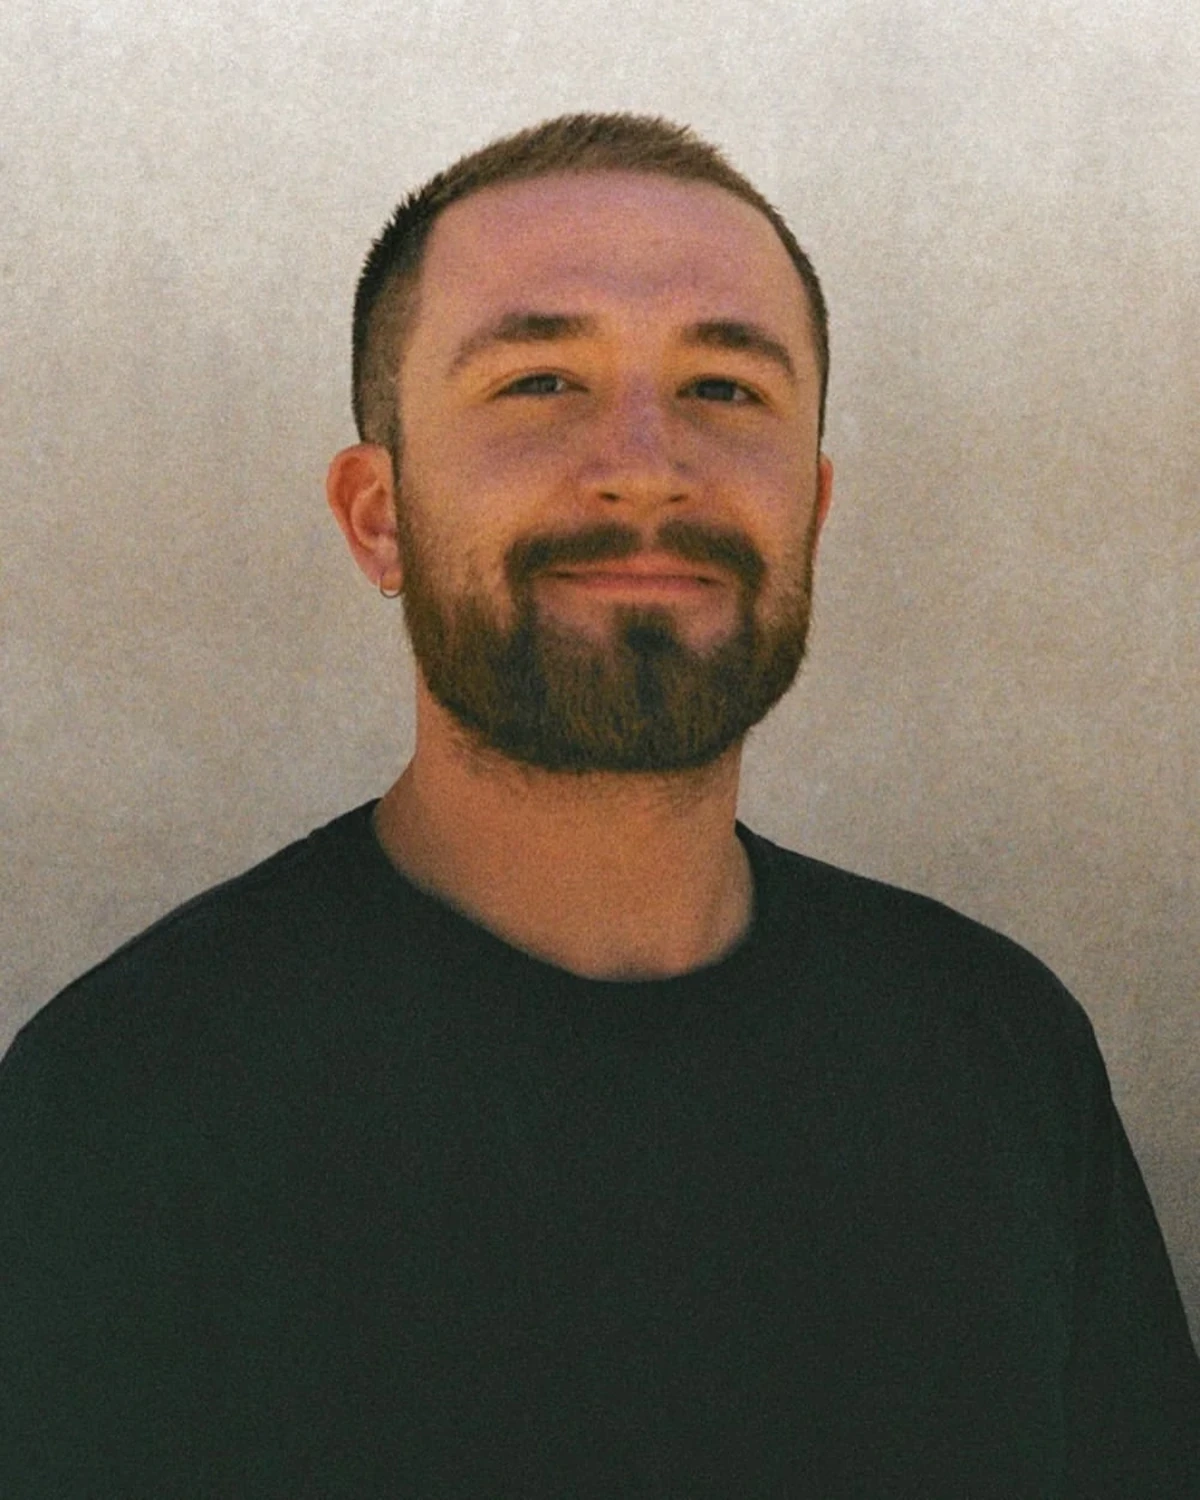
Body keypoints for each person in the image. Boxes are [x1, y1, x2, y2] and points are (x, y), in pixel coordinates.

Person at [2, 113, 1197, 1498]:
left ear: (811, 508)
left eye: (724, 388)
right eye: (541, 381)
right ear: (378, 513)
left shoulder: (998, 1056)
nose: (645, 463)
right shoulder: (121, 1110)